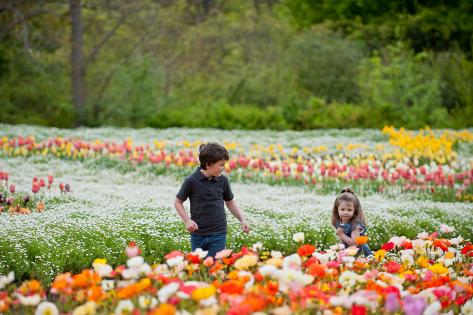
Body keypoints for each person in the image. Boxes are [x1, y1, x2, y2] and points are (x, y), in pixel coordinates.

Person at [174, 142, 250, 257]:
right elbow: (178, 202)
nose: (223, 168)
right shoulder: (191, 181)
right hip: (197, 234)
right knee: (199, 266)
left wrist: (242, 219)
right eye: (221, 165)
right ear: (208, 164)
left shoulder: (223, 181)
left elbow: (230, 202)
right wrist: (187, 221)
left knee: (215, 267)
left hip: (218, 233)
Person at [331, 188, 372, 256]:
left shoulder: (355, 225)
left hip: (358, 253)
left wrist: (341, 234)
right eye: (342, 209)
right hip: (348, 251)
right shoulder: (339, 222)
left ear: (354, 211)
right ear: (337, 210)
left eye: (349, 210)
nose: (345, 212)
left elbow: (354, 243)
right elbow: (342, 240)